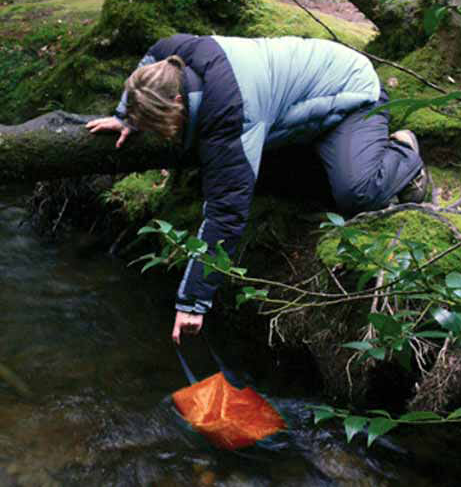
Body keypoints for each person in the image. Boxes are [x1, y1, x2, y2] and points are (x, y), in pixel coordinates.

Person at [86, 34, 427, 344]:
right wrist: (125, 116)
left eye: (159, 126)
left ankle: (403, 154)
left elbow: (226, 214)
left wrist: (192, 302)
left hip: (349, 90)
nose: (160, 136)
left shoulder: (230, 116)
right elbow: (150, 55)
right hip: (296, 100)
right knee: (266, 182)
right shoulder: (177, 58)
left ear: (177, 100)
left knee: (356, 193)